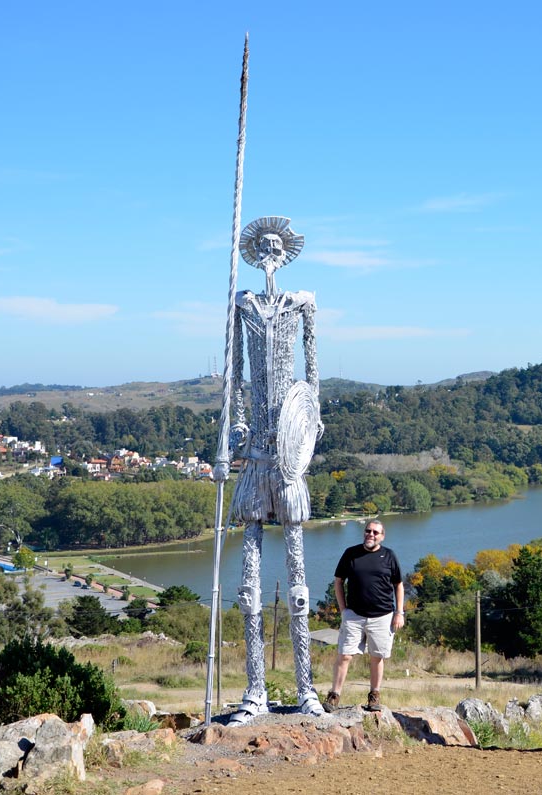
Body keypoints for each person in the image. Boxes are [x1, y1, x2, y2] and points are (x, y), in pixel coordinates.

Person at [221, 216, 325, 726]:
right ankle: (255, 690)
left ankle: (306, 688)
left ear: (285, 253)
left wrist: (311, 424)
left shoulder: (301, 302)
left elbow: (312, 373)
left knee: (300, 581)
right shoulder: (243, 304)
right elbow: (234, 374)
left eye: (274, 245)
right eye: (259, 244)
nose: (266, 251)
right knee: (248, 588)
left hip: (288, 457)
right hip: (256, 458)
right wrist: (235, 431)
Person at [325, 519, 405, 711]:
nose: (371, 534)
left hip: (383, 616)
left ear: (382, 536)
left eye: (375, 532)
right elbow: (338, 581)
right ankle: (334, 696)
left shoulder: (389, 556)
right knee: (344, 655)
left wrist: (399, 612)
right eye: (368, 531)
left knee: (377, 657)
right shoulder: (351, 553)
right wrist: (343, 610)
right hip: (354, 615)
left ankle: (374, 696)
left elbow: (398, 585)